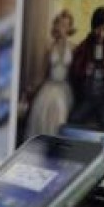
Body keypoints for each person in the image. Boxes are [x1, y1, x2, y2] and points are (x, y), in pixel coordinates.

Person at [68, 6, 104, 130]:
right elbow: (74, 71)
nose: (99, 33)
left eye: (103, 29)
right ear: (92, 28)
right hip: (89, 96)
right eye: (96, 29)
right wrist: (85, 71)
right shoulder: (85, 44)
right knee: (73, 121)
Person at [23, 10, 76, 139]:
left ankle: (57, 142)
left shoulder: (73, 47)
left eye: (66, 25)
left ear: (69, 28)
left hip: (64, 87)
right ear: (57, 26)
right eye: (61, 25)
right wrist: (32, 88)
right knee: (45, 107)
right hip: (50, 84)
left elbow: (75, 74)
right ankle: (44, 142)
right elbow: (42, 72)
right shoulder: (50, 47)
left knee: (59, 105)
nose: (63, 28)